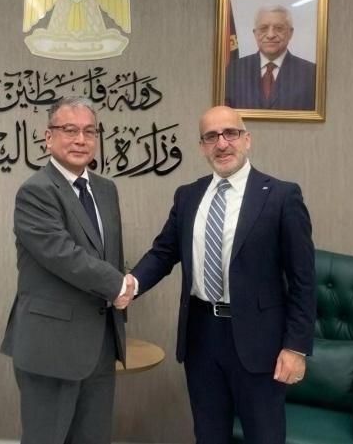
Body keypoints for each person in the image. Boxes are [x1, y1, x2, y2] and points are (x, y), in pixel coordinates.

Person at [126, 105, 316, 443]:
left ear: (247, 139)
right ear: (202, 146)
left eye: (230, 133)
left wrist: (296, 347)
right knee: (209, 434)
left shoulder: (282, 196)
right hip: (201, 336)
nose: (222, 143)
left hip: (260, 341)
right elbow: (163, 252)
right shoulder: (188, 196)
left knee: (265, 436)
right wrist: (132, 283)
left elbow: (303, 279)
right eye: (211, 136)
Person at [1, 97, 134, 444]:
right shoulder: (36, 191)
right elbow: (62, 254)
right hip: (51, 345)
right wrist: (117, 284)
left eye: (89, 132)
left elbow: (108, 254)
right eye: (70, 130)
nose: (81, 140)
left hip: (100, 343)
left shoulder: (106, 189)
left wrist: (125, 281)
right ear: (48, 137)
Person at [225, 5, 316, 110]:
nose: (270, 35)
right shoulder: (234, 70)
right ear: (255, 34)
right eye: (263, 28)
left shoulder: (311, 73)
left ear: (290, 33)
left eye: (279, 28)